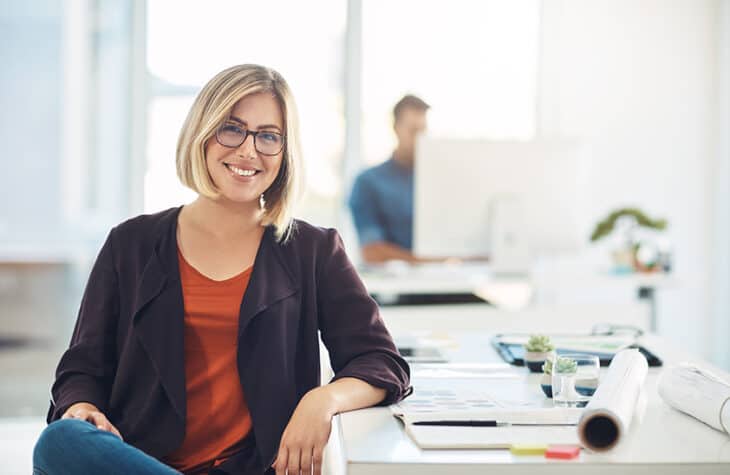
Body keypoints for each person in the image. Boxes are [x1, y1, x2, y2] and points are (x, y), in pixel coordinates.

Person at [33, 64, 410, 475]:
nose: (249, 151)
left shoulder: (313, 250)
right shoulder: (131, 244)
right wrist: (82, 406)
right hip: (139, 461)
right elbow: (82, 367)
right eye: (232, 129)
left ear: (284, 153)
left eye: (268, 136)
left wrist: (322, 400)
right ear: (203, 134)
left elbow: (380, 361)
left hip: (252, 468)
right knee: (60, 441)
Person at [348, 94, 429, 264]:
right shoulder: (368, 182)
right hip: (393, 287)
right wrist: (429, 261)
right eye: (413, 131)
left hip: (448, 281)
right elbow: (372, 251)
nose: (419, 139)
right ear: (396, 128)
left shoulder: (439, 182)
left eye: (423, 131)